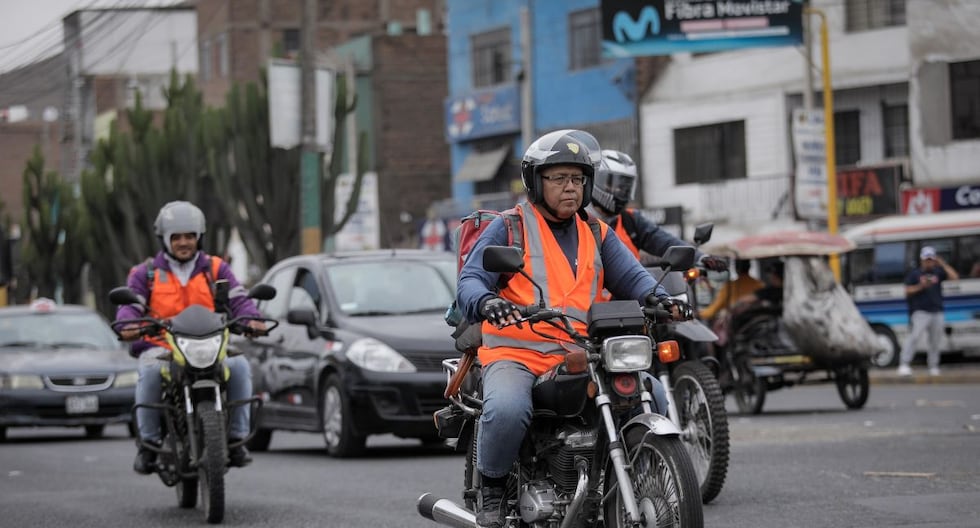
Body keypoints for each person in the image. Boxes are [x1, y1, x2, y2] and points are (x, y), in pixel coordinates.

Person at [456, 130, 688, 528]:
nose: (570, 188)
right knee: (509, 409)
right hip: (518, 353)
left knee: (653, 394)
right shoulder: (510, 227)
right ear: (536, 181)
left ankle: (628, 478)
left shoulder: (597, 232)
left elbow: (633, 278)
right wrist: (489, 302)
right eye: (559, 178)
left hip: (582, 351)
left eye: (577, 179)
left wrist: (661, 298)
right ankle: (493, 490)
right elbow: (471, 280)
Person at [116, 201, 265, 475]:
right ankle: (148, 445)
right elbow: (130, 306)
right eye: (177, 237)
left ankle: (236, 440)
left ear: (199, 237)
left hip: (212, 345)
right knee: (149, 372)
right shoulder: (145, 273)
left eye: (189, 236)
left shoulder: (217, 269)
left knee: (240, 366)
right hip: (162, 346)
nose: (184, 243)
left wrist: (252, 321)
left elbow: (240, 301)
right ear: (164, 239)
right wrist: (129, 324)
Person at [588, 149, 729, 272]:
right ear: (597, 180)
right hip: (585, 302)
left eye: (626, 187)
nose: (621, 192)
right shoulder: (578, 218)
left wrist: (700, 257)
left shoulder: (630, 220)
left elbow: (665, 242)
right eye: (616, 185)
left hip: (629, 300)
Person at [896, 246, 959, 376]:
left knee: (935, 340)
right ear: (922, 260)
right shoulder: (915, 274)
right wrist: (921, 286)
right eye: (926, 259)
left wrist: (942, 264)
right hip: (920, 311)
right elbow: (907, 290)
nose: (928, 262)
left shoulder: (938, 272)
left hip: (937, 310)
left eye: (931, 259)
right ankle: (904, 364)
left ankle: (933, 366)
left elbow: (955, 277)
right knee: (914, 337)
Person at [699, 259, 764, 322]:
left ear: (736, 268)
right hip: (757, 321)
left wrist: (699, 314)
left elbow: (714, 309)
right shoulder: (759, 285)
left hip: (735, 323)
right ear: (749, 267)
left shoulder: (730, 286)